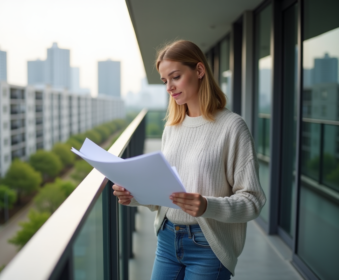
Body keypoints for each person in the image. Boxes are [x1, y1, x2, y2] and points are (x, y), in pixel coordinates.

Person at [112, 40, 266, 280]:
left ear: (199, 71)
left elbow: (253, 201)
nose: (169, 88)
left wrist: (207, 205)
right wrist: (134, 195)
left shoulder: (233, 127)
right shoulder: (172, 128)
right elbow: (165, 195)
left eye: (175, 77)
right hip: (166, 238)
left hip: (208, 246)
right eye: (165, 81)